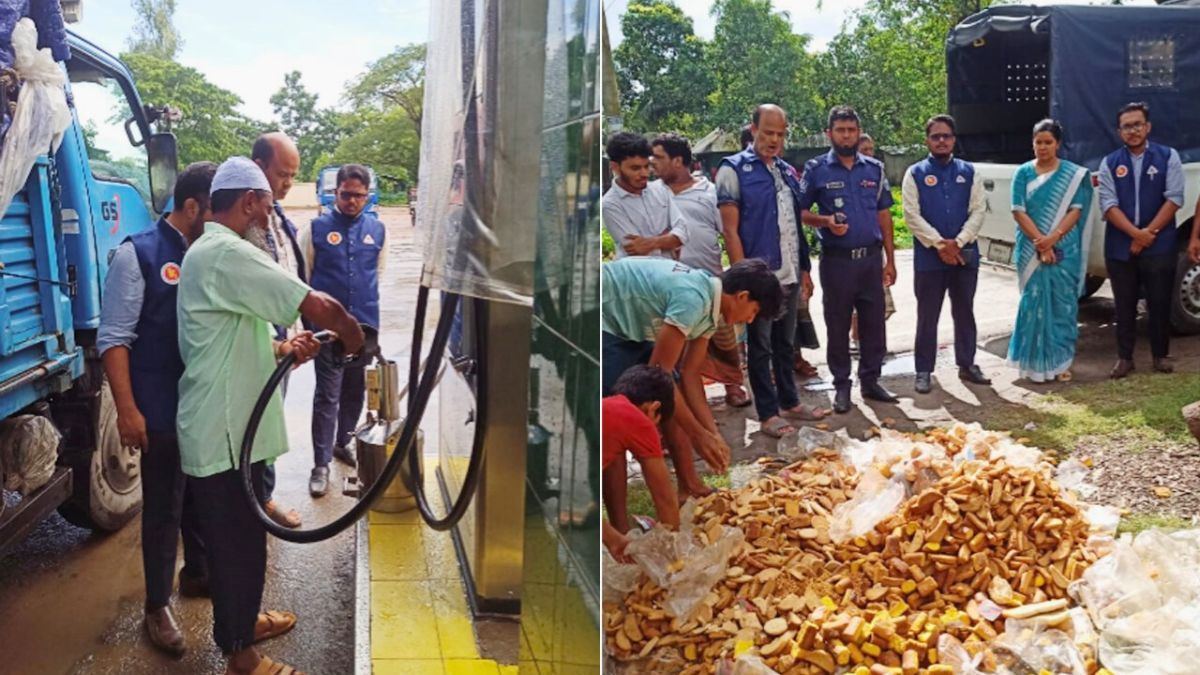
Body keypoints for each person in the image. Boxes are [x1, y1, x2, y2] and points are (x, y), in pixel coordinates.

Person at [176, 156, 364, 675]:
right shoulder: (224, 251)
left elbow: (239, 329)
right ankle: (241, 656)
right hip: (223, 430)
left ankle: (243, 622)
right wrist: (351, 333)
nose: (268, 215)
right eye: (266, 204)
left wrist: (284, 349)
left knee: (244, 538)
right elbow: (316, 301)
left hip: (234, 426)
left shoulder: (215, 252)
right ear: (250, 201)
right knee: (237, 545)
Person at [98, 162, 216, 656]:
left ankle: (198, 575)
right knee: (164, 507)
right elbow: (114, 340)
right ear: (191, 208)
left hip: (201, 405)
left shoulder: (209, 254)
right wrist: (128, 411)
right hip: (160, 408)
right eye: (215, 210)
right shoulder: (139, 254)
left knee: (199, 499)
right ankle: (156, 605)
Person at [602, 257, 782, 497]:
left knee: (672, 402)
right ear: (742, 296)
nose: (749, 320)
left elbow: (689, 374)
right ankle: (619, 528)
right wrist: (698, 436)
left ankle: (690, 486)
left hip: (633, 322)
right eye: (754, 311)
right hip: (604, 318)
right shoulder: (693, 300)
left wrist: (712, 434)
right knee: (616, 423)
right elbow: (659, 375)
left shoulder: (709, 306)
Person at [717, 104, 829, 438]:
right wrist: (743, 279)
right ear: (752, 129)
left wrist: (805, 269)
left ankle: (790, 402)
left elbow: (794, 226)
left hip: (790, 273)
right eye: (767, 133)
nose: (774, 140)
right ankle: (767, 414)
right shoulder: (732, 170)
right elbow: (730, 231)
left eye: (780, 134)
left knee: (785, 342)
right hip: (759, 280)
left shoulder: (786, 171)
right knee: (760, 347)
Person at [798, 105, 899, 414]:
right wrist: (826, 222)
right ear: (829, 134)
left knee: (873, 325)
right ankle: (842, 386)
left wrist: (890, 259)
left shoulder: (874, 168)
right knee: (838, 324)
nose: (846, 135)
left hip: (870, 259)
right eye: (840, 130)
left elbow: (884, 215)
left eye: (851, 130)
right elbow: (800, 212)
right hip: (837, 262)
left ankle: (870, 381)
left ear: (858, 132)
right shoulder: (816, 169)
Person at [300, 163, 387, 497]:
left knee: (355, 390)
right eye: (346, 194)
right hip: (327, 332)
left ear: (367, 196)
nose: (352, 201)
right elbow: (305, 278)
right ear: (335, 193)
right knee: (327, 395)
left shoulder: (378, 231)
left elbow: (377, 274)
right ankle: (320, 465)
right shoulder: (316, 229)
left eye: (359, 196)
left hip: (364, 327)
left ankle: (342, 442)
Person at [650, 132, 749, 409]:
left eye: (658, 157)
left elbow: (728, 232)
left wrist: (736, 273)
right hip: (670, 285)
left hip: (710, 280)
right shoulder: (652, 194)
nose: (652, 163)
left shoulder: (708, 192)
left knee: (724, 340)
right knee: (679, 348)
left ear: (678, 161)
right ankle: (689, 401)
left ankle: (733, 386)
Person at [902, 115, 992, 394]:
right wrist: (940, 244)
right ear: (927, 140)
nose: (941, 141)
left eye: (946, 136)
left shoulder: (969, 171)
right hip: (930, 259)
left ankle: (967, 363)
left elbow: (978, 210)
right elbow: (910, 215)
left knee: (964, 310)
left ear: (954, 139)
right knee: (928, 314)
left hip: (965, 256)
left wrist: (959, 242)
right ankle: (923, 371)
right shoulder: (914, 173)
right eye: (935, 136)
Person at [1098, 102, 1182, 378]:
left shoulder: (1168, 157)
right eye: (1126, 126)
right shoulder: (1110, 163)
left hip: (1160, 244)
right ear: (1119, 131)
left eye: (1137, 124)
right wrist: (1136, 235)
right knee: (1123, 304)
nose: (1132, 131)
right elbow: (1108, 205)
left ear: (1147, 127)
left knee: (1159, 301)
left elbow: (1174, 199)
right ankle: (1125, 358)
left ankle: (1160, 355)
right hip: (1120, 247)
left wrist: (1147, 236)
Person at [249, 131, 307, 527]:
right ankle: (257, 501)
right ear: (259, 168)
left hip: (282, 340)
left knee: (271, 423)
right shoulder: (243, 222)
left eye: (292, 175)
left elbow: (287, 275)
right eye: (282, 174)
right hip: (258, 343)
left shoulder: (278, 216)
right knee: (256, 424)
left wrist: (295, 332)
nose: (288, 182)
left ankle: (261, 495)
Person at [1007, 119, 1094, 383]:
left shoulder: (1072, 174)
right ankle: (1032, 364)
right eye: (1038, 142)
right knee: (1033, 303)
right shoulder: (1022, 173)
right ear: (1032, 143)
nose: (1043, 147)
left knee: (1063, 305)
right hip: (1031, 248)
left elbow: (1076, 210)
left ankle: (1061, 362)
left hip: (1064, 247)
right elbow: (1018, 210)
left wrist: (1053, 239)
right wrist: (1041, 242)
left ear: (1058, 144)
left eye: (1048, 142)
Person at [601, 365, 680, 562]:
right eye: (657, 425)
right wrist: (673, 554)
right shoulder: (639, 421)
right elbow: (665, 498)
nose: (656, 433)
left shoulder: (606, 407)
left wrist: (611, 535)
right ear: (654, 408)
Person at [846, 133, 895, 357]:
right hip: (847, 253)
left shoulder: (877, 174)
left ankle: (874, 346)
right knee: (856, 302)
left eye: (871, 149)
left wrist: (890, 258)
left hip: (874, 249)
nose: (868, 153)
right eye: (863, 149)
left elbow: (885, 216)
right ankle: (856, 338)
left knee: (878, 303)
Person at [602, 131, 688, 259]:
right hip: (638, 276)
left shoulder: (660, 189)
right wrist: (668, 237)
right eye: (635, 168)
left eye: (647, 166)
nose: (645, 174)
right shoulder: (610, 204)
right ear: (615, 167)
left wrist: (651, 242)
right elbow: (637, 250)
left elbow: (684, 231)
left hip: (672, 273)